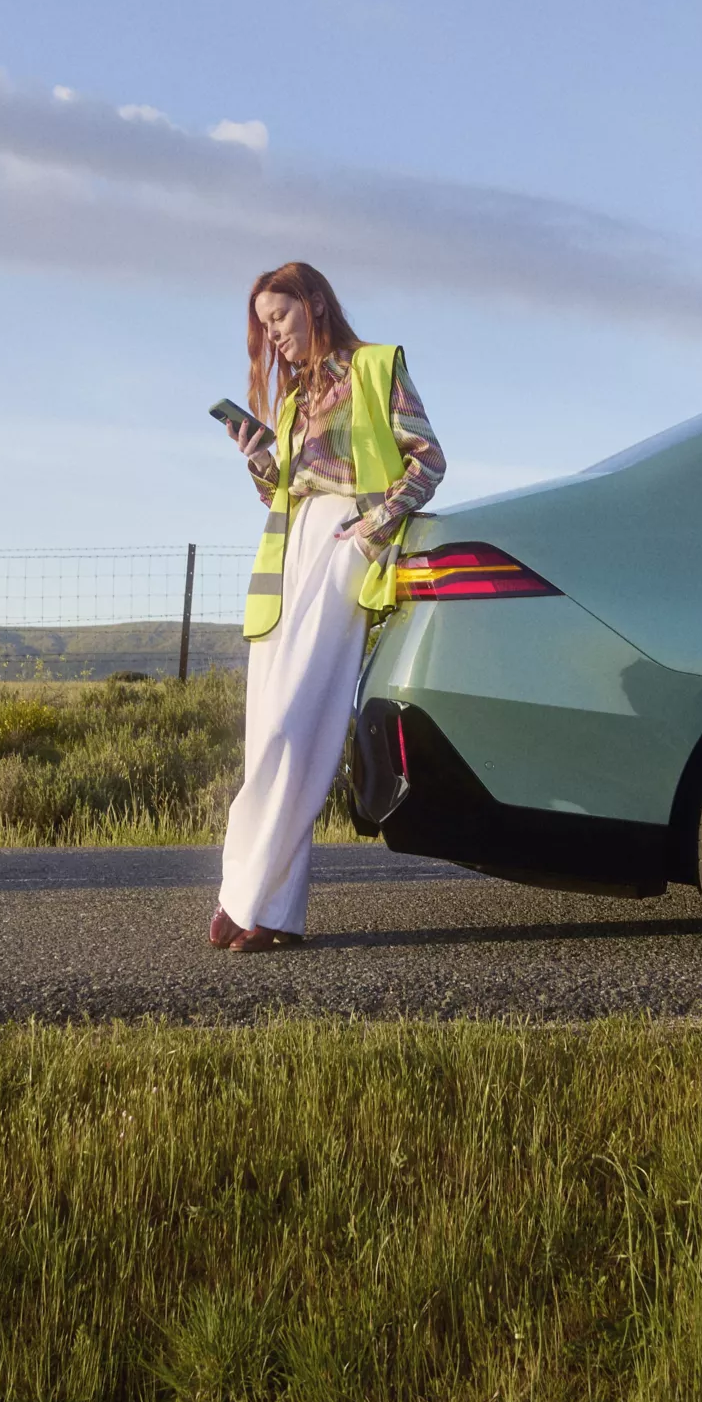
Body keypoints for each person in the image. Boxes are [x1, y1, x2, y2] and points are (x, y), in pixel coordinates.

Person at [212, 262, 444, 952]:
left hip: (345, 547)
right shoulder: (290, 403)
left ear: (314, 303)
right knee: (270, 736)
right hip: (288, 557)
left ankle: (249, 898)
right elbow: (284, 494)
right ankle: (266, 908)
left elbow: (427, 460)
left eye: (279, 318)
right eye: (264, 326)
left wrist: (372, 529)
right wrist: (259, 460)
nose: (273, 336)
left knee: (296, 724)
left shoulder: (376, 368)